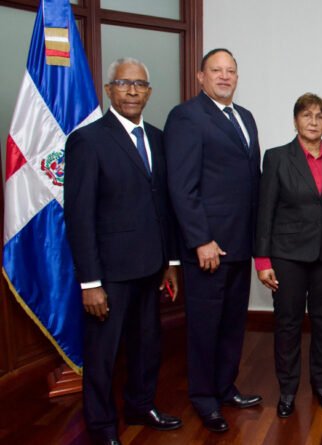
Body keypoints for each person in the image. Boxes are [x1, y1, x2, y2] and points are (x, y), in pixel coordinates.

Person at [64, 58, 182, 445]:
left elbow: (164, 205)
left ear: (149, 92)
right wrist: (90, 282)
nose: (132, 91)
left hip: (151, 266)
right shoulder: (88, 140)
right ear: (109, 89)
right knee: (103, 355)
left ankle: (140, 406)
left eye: (140, 85)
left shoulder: (159, 139)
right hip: (109, 273)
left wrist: (170, 261)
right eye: (123, 83)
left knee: (147, 345)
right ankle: (101, 427)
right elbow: (79, 215)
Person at [164, 48, 262, 433]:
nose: (224, 76)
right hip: (208, 247)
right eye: (216, 70)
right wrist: (200, 239)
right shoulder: (186, 117)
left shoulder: (245, 117)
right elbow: (181, 186)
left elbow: (249, 182)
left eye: (230, 71)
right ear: (200, 77)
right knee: (205, 327)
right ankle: (204, 398)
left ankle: (225, 388)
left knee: (232, 324)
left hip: (240, 242)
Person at [254, 93, 322, 418]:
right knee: (287, 323)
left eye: (320, 116)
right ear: (295, 120)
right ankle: (287, 389)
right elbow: (265, 211)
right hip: (287, 255)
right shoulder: (276, 158)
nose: (313, 122)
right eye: (306, 115)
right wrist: (262, 260)